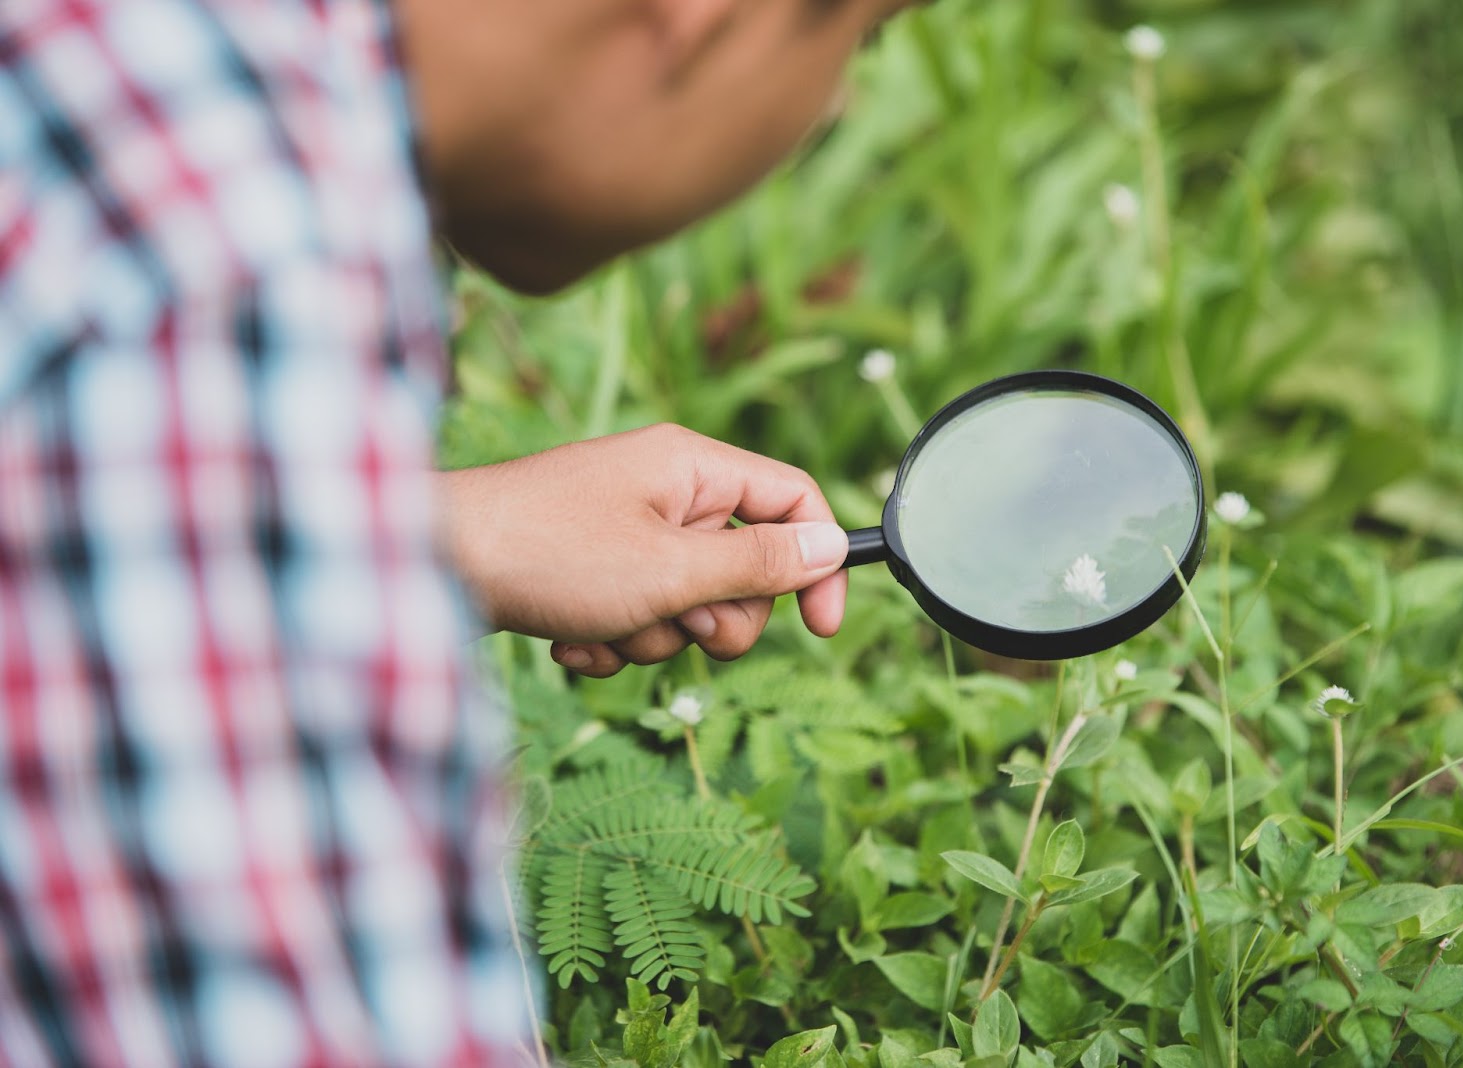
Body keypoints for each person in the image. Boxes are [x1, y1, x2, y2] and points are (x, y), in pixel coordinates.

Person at [0, 0, 916, 1063]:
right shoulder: (223, 286)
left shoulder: (126, 76)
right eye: (862, 36)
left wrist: (422, 534)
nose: (835, 100)